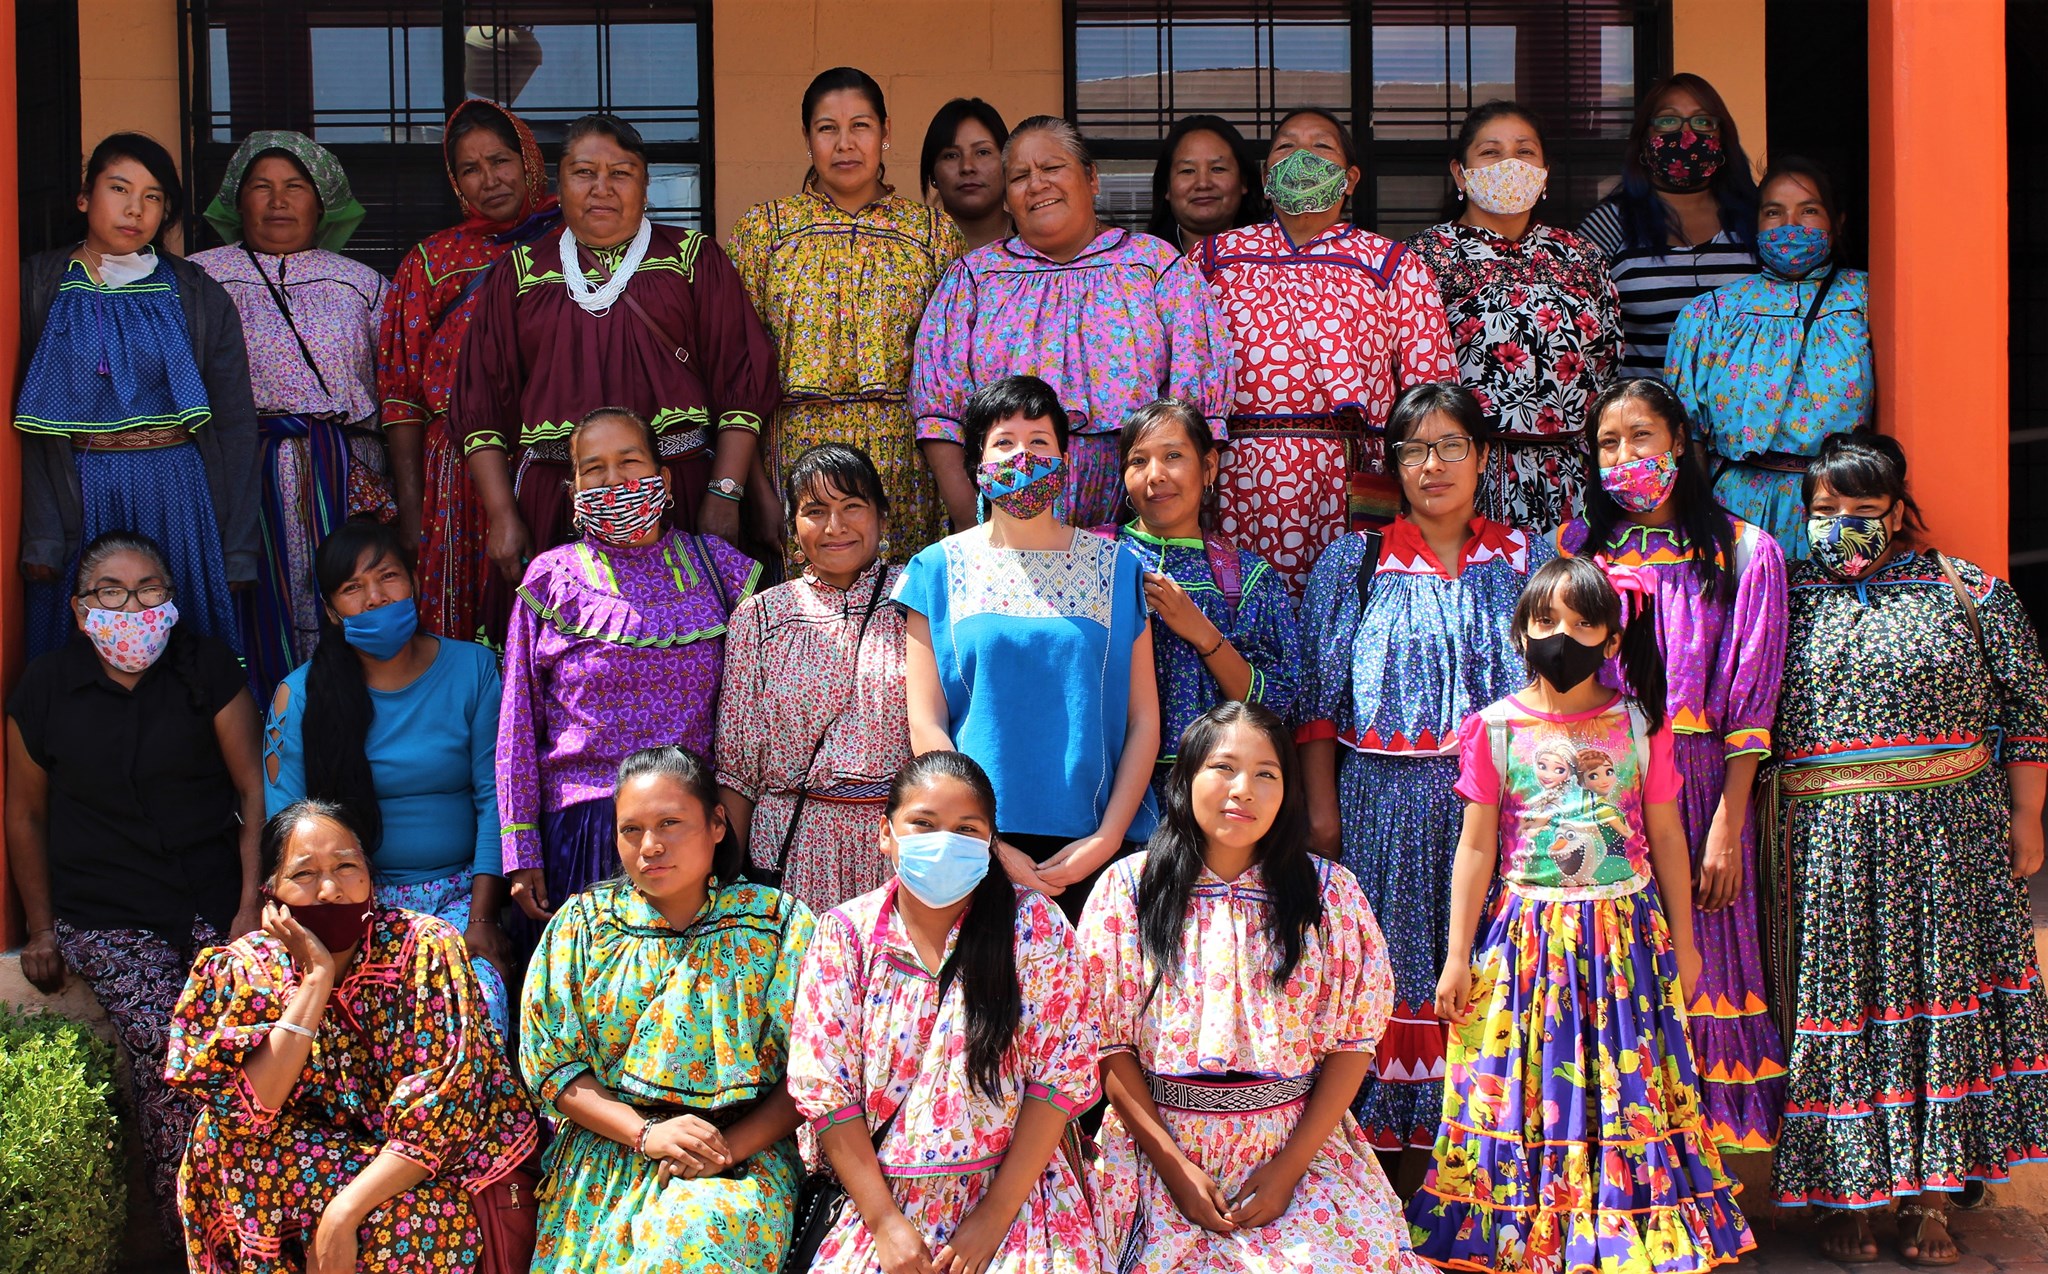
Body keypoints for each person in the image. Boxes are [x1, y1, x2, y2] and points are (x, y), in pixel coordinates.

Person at [1405, 556, 1752, 1270]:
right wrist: (1454, 955)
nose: (1561, 635)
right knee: (1524, 1083)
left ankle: (1620, 1227)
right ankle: (1524, 1234)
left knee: (1628, 1084)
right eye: (1545, 621)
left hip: (1626, 943)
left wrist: (1685, 942)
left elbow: (1665, 840)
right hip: (1526, 940)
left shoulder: (1638, 724)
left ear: (1612, 640)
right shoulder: (1493, 728)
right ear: (1519, 632)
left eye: (1582, 622)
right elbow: (1475, 849)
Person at [1767, 433, 2048, 1265]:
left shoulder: (1970, 594)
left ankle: (1930, 1200)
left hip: (1948, 846)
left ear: (1896, 510)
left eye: (1860, 511)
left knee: (1935, 1013)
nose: (1841, 526)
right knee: (1837, 1013)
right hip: (1826, 851)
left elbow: (2028, 709)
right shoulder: (1777, 596)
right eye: (1823, 512)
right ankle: (1839, 1201)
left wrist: (2028, 817)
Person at [1296, 383, 1550, 1168]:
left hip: (1510, 815)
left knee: (1494, 977)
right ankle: (1389, 1175)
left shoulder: (1531, 558)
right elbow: (1316, 701)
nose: (1432, 465)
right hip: (1383, 808)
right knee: (1394, 978)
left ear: (1482, 457)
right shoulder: (1355, 562)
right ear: (1394, 464)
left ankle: (1493, 1160)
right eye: (1413, 449)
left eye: (1450, 446)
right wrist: (1324, 814)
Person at [1079, 703, 1416, 1273]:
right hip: (1156, 1153)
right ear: (1184, 778)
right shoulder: (1128, 890)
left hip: (1295, 1150)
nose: (1244, 790)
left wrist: (1287, 1170)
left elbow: (1352, 1044)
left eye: (1267, 774)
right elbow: (1108, 1045)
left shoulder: (1329, 897)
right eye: (1224, 768)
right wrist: (1176, 1171)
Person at [4, 531, 263, 1239]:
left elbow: (251, 788)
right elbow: (23, 814)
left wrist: (249, 906)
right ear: (82, 609)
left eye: (150, 588)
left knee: (250, 1038)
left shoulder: (204, 667)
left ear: (172, 599)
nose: (132, 605)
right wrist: (40, 928)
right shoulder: (46, 688)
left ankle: (265, 1220)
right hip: (107, 913)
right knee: (167, 1045)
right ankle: (196, 1232)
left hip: (211, 898)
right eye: (111, 592)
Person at [1557, 378, 1788, 1156]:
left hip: (1701, 793)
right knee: (1608, 974)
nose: (1625, 457)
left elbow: (1751, 703)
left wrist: (1729, 820)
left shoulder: (1746, 552)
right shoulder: (1576, 556)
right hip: (1598, 796)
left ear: (1681, 442)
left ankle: (1709, 1179)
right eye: (1608, 444)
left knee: (1706, 969)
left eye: (1642, 438)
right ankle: (1615, 1168)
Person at [165, 800, 538, 1274]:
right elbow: (249, 1112)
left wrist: (341, 1215)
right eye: (303, 875)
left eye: (346, 867)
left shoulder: (425, 948)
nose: (330, 890)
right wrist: (317, 977)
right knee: (218, 1138)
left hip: (421, 1166)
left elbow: (442, 1117)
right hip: (317, 1160)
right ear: (271, 895)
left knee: (413, 1220)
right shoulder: (246, 968)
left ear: (370, 878)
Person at [452, 112, 777, 643]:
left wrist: (725, 491)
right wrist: (503, 514)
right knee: (567, 660)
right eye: (584, 173)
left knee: (692, 655)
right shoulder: (519, 272)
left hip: (680, 493)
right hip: (553, 502)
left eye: (621, 173)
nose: (602, 188)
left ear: (646, 185)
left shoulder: (693, 260)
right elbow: (480, 404)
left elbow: (741, 382)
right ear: (559, 184)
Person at [788, 749, 1100, 1274]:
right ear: (886, 834)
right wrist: (886, 1223)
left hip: (1019, 1196)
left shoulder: (1035, 927)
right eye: (924, 824)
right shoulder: (845, 934)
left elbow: (1060, 1079)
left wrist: (995, 1217)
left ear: (990, 845)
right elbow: (827, 1094)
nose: (944, 844)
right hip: (876, 1205)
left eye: (966, 829)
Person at [520, 746, 815, 1271]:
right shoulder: (583, 925)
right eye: (630, 830)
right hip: (607, 1152)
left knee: (693, 1243)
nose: (649, 846)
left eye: (670, 823)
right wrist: (646, 1133)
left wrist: (720, 1151)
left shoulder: (779, 925)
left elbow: (813, 1072)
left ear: (717, 824)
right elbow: (549, 1064)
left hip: (740, 1157)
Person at [897, 376, 1160, 920]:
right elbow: (926, 723)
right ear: (977, 464)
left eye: (1039, 441)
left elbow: (1143, 721)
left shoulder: (1117, 569)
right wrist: (986, 841)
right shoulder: (935, 569)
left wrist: (1107, 840)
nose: (1023, 455)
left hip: (1098, 850)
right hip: (972, 850)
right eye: (1004, 442)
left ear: (1065, 460)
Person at [498, 406, 760, 936]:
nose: (614, 480)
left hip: (692, 833)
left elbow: (756, 711)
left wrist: (731, 824)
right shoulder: (550, 579)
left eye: (630, 461)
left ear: (662, 479)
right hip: (584, 827)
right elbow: (516, 723)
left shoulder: (721, 569)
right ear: (573, 491)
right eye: (594, 469)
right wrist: (520, 847)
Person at [911, 115, 1232, 531]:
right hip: (1008, 526)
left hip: (1140, 519)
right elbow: (940, 415)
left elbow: (1197, 409)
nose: (1038, 184)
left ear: (1092, 178)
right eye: (1020, 176)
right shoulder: (974, 278)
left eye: (1052, 167)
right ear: (1007, 199)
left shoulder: (1156, 265)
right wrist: (975, 527)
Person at [261, 522, 511, 1038]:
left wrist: (482, 921)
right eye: (353, 589)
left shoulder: (475, 669)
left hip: (463, 898)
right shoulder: (299, 695)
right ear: (332, 611)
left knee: (473, 1012)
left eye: (388, 577)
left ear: (414, 583)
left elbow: (497, 799)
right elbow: (286, 827)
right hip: (349, 905)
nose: (375, 598)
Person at [1197, 108, 1459, 593]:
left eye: (1321, 147)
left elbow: (1431, 393)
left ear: (1351, 178)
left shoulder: (1392, 264)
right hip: (1235, 474)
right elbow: (1185, 375)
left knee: (1344, 612)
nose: (1302, 156)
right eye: (1285, 146)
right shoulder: (1213, 259)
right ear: (1264, 176)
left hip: (1353, 475)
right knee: (1243, 615)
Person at [16, 133, 257, 660]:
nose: (135, 209)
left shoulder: (197, 292)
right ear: (84, 197)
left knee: (182, 648)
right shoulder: (36, 285)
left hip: (179, 489)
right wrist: (42, 535)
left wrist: (236, 548)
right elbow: (28, 432)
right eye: (119, 188)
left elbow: (237, 427)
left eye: (153, 197)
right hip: (80, 487)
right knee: (83, 647)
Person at [730, 67, 964, 563]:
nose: (845, 144)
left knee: (898, 611)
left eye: (860, 126)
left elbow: (952, 368)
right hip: (792, 450)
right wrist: (756, 491)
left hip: (903, 460)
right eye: (827, 128)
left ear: (885, 132)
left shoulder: (933, 234)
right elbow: (739, 372)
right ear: (806, 138)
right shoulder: (763, 231)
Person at [192, 130, 393, 696]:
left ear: (320, 201)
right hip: (233, 474)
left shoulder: (363, 285)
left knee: (340, 594)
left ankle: (340, 729)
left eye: (294, 187)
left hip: (340, 474)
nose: (278, 201)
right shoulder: (197, 277)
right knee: (242, 597)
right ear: (238, 200)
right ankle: (259, 740)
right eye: (262, 187)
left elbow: (397, 390)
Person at [376, 99, 562, 645]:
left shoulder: (572, 247)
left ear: (529, 159)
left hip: (550, 460)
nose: (490, 180)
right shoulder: (430, 261)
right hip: (455, 473)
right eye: (470, 169)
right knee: (465, 621)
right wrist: (411, 511)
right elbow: (402, 399)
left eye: (501, 160)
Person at [1406, 101, 1622, 532]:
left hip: (1573, 478)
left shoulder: (1581, 257)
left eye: (1524, 152)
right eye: (1490, 152)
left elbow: (1609, 365)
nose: (1510, 164)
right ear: (1459, 173)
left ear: (1545, 171)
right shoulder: (1423, 259)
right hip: (1467, 477)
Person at [717, 443, 911, 915]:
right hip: (791, 848)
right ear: (792, 526)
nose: (835, 527)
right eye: (815, 511)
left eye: (852, 507)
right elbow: (738, 770)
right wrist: (727, 887)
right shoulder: (760, 617)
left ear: (882, 517)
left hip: (897, 848)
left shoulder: (921, 600)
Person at [1664, 157, 1873, 556]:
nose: (1790, 225)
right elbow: (1686, 437)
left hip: (1839, 508)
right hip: (1737, 513)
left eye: (1808, 210)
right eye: (1773, 212)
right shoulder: (1712, 314)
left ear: (1838, 222)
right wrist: (1696, 528)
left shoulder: (1868, 300)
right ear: (1756, 223)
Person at [1114, 398, 1300, 792]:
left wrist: (1202, 632)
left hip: (1218, 791)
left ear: (1209, 466)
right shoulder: (1097, 561)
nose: (1155, 475)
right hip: (1111, 788)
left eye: (1174, 455)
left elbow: (1277, 702)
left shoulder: (1247, 577)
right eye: (1138, 461)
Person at [1578, 73, 1758, 379]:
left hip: (1746, 417)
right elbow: (1578, 328)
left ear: (1723, 137)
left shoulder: (1755, 219)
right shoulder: (1610, 224)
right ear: (1645, 136)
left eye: (1702, 122)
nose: (1685, 134)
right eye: (1667, 121)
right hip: (1643, 418)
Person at [1144, 114, 1264, 253]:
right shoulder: (1141, 265)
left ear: (1243, 181)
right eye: (1187, 171)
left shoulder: (1276, 261)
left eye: (1218, 169)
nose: (1203, 183)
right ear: (1167, 187)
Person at [920, 96, 1012, 251]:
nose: (967, 167)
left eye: (983, 152)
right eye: (951, 155)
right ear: (932, 174)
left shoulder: (1037, 240)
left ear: (1007, 162)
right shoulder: (911, 247)